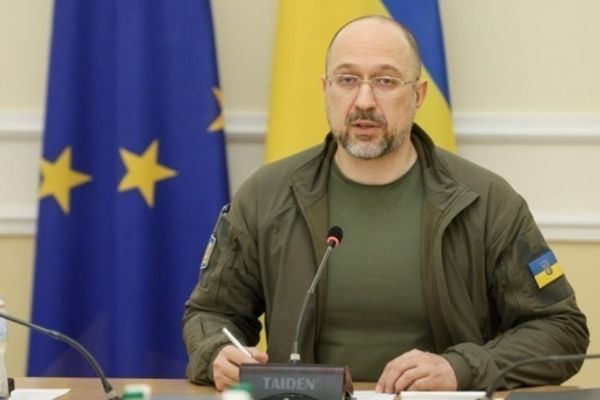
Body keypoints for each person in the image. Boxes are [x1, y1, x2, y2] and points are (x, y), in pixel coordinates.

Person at [183, 16, 589, 393]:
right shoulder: (267, 195)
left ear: (418, 95)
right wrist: (216, 352)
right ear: (325, 89)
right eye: (347, 80)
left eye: (385, 81)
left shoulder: (485, 200)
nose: (363, 100)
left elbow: (560, 329)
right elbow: (210, 314)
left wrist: (461, 368)